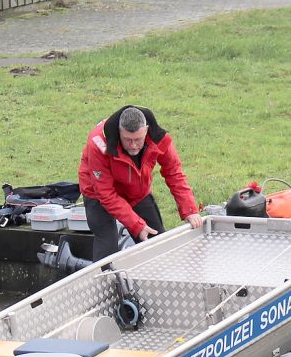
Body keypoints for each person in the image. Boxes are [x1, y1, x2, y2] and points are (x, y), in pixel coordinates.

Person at [78, 105, 203, 261]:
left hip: (136, 190)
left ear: (146, 130)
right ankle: (105, 281)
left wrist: (189, 209)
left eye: (138, 139)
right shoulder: (98, 144)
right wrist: (136, 225)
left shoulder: (159, 137)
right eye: (127, 140)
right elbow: (105, 194)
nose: (133, 145)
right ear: (119, 131)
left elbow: (174, 172)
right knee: (108, 249)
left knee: (157, 244)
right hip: (97, 193)